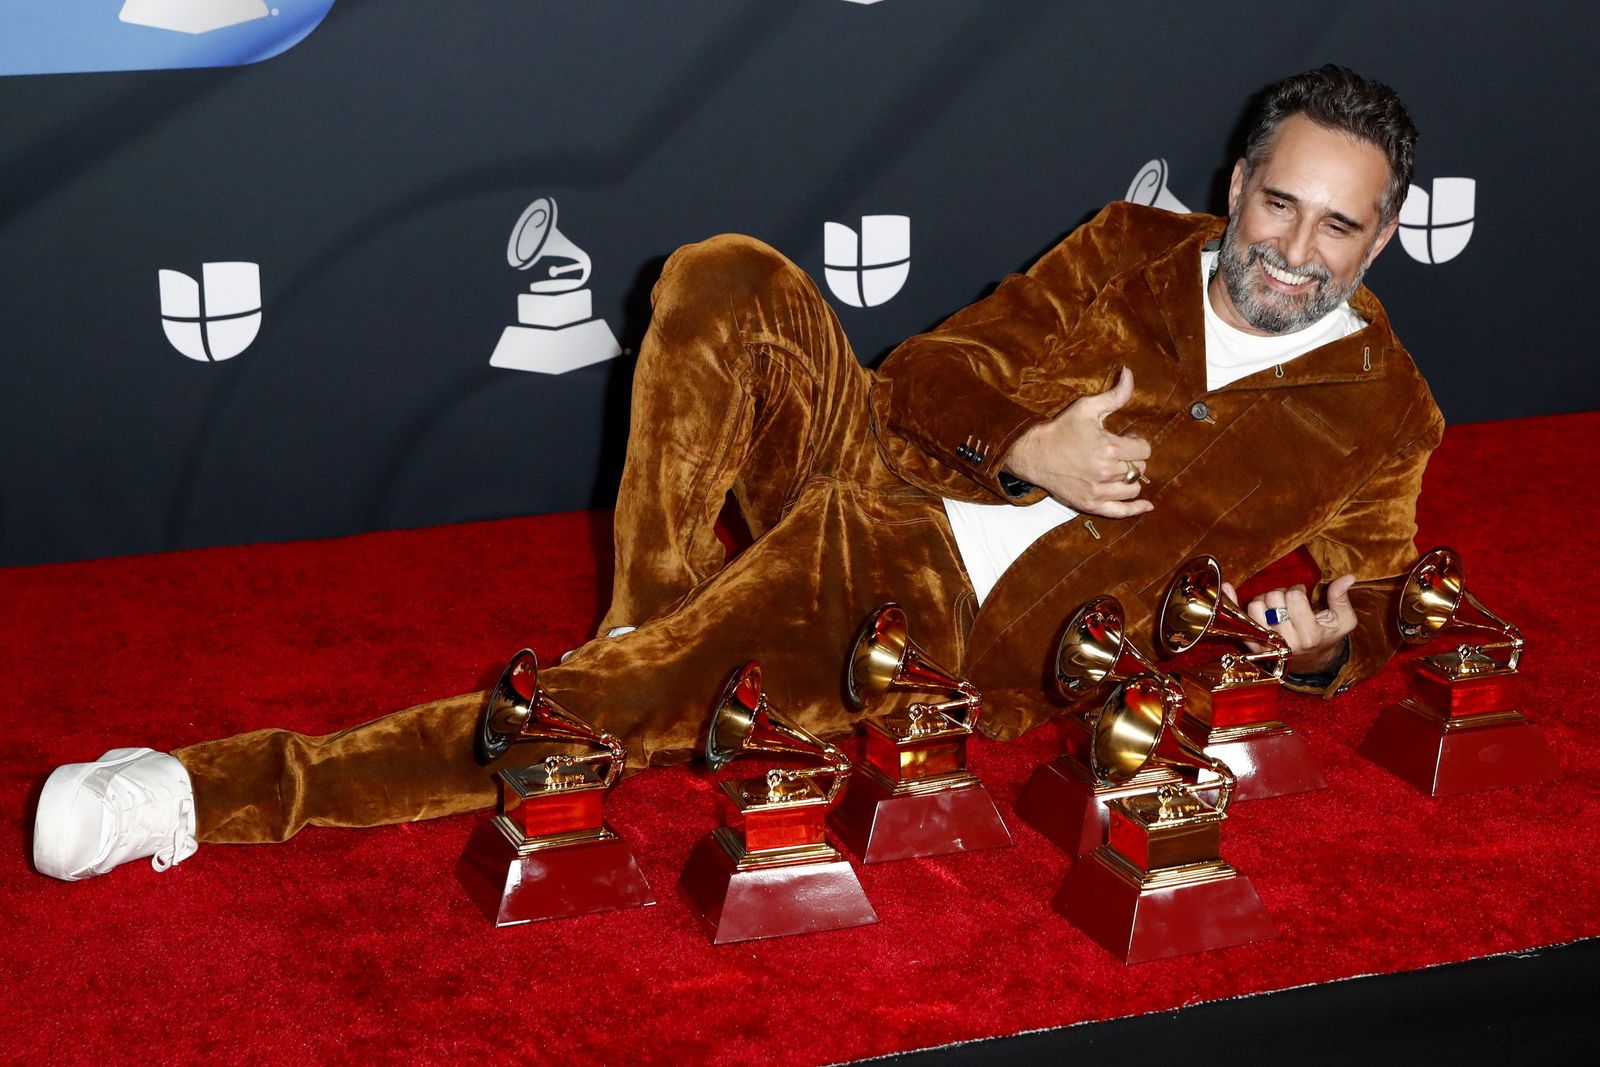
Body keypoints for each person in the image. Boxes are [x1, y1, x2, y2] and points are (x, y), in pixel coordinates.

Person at [33, 64, 1441, 881]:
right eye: (1279, 204)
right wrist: (1028, 445)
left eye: (1337, 227)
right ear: (1237, 183)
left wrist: (1329, 646)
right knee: (724, 276)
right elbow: (925, 376)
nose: (1294, 252)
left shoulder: (1386, 413)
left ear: (1380, 239)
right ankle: (648, 621)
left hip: (936, 621)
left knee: (581, 717)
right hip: (884, 468)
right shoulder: (1128, 246)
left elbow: (1380, 600)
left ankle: (194, 796)